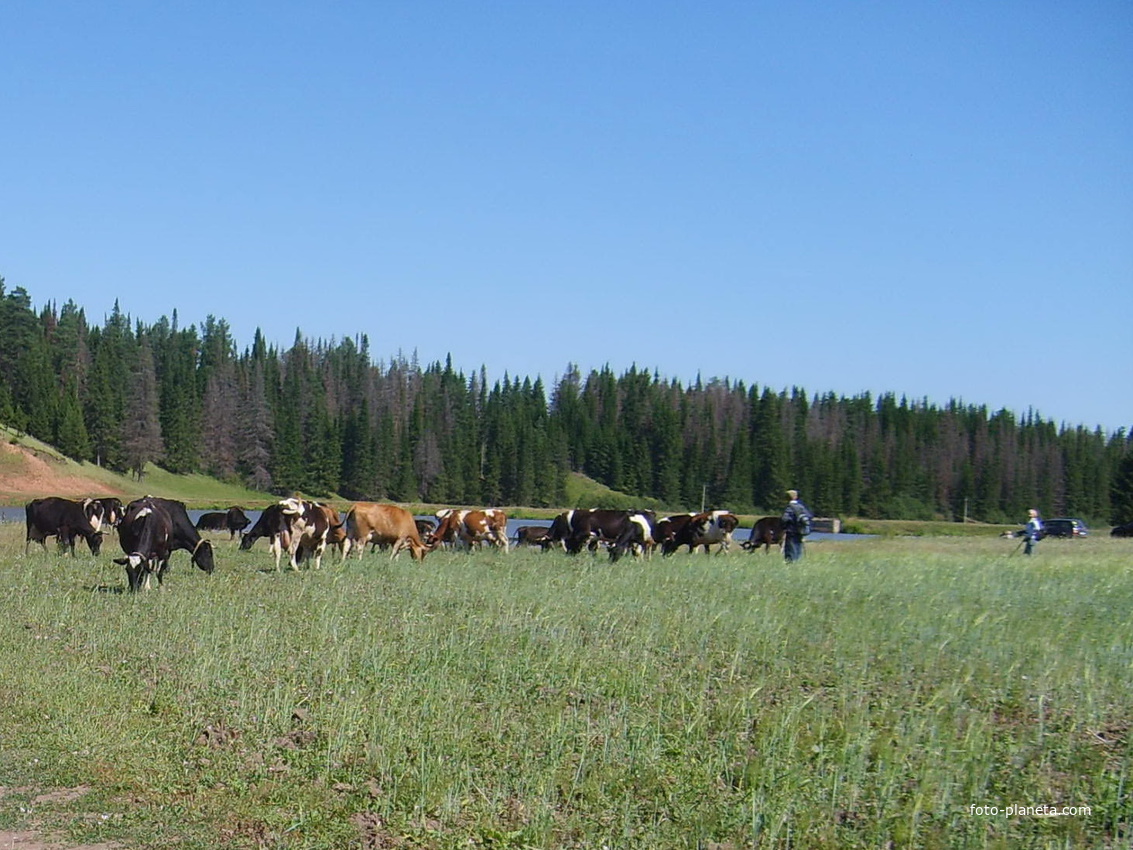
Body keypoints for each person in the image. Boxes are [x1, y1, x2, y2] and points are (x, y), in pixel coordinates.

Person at [781, 489, 812, 563]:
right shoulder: (801, 506)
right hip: (800, 531)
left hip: (791, 532)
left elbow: (785, 519)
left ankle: (790, 564)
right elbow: (809, 516)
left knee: (790, 549)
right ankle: (797, 563)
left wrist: (784, 526)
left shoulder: (790, 507)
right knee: (798, 548)